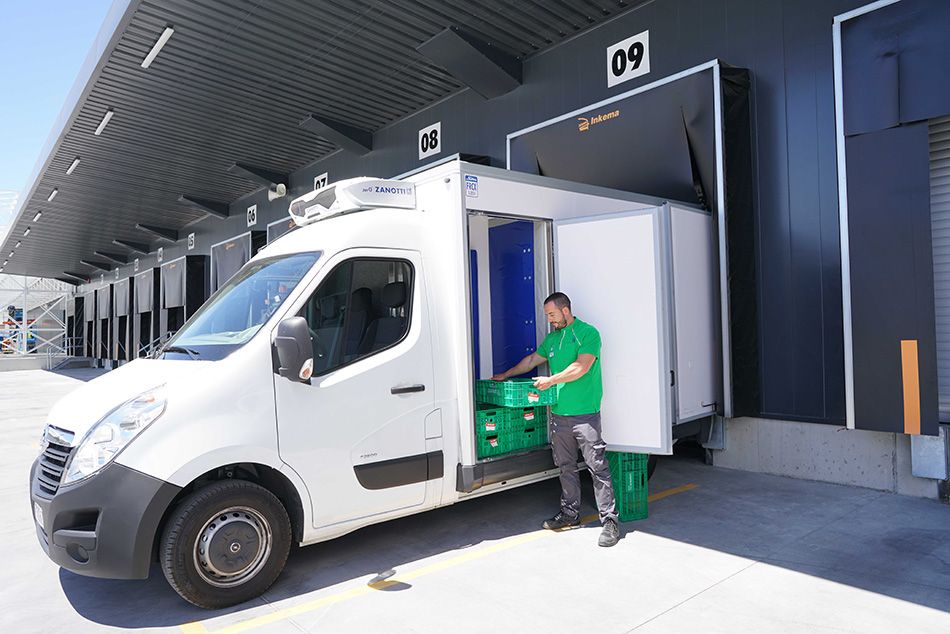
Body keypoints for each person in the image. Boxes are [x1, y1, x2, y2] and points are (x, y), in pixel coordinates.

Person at [491, 292, 619, 547]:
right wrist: (506, 374)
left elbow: (580, 367)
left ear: (565, 310)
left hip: (585, 415)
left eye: (551, 314)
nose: (549, 319)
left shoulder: (587, 333)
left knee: (598, 468)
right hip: (559, 415)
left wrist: (550, 380)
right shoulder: (552, 338)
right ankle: (570, 514)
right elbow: (531, 360)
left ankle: (610, 522)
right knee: (566, 467)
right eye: (547, 315)